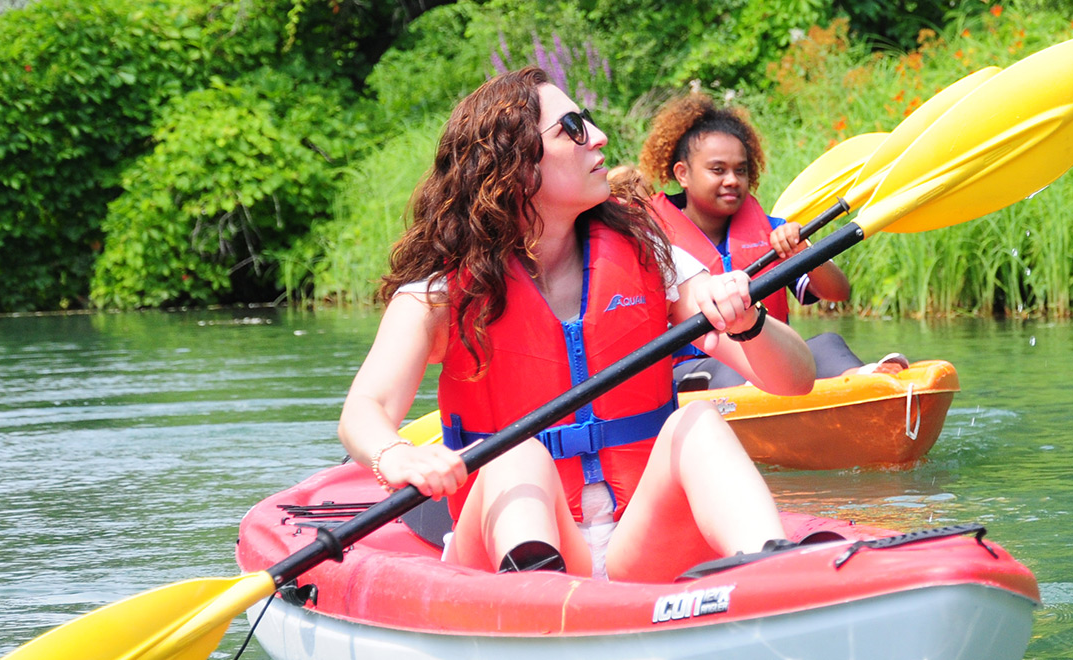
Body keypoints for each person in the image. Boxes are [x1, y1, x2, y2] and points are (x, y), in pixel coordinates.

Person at [335, 67, 817, 583]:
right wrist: (396, 455)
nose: (600, 136)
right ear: (514, 165)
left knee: (696, 426)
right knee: (516, 453)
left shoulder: (653, 259)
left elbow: (795, 380)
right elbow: (364, 411)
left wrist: (748, 321)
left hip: (641, 545)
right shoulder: (439, 296)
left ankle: (776, 574)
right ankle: (539, 603)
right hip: (511, 548)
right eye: (572, 127)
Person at [636, 93, 909, 391]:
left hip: (769, 359)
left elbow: (838, 292)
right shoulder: (650, 236)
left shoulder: (773, 232)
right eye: (718, 170)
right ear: (683, 174)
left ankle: (866, 380)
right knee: (731, 369)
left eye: (741, 170)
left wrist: (802, 252)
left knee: (828, 343)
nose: (732, 180)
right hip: (695, 370)